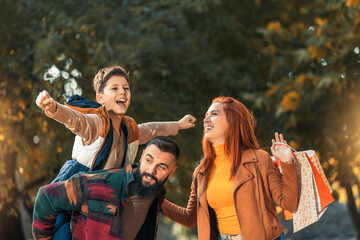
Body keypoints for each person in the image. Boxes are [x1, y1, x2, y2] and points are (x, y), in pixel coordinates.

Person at [35, 65, 196, 239]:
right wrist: (53, 108)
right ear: (100, 98)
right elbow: (75, 120)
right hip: (74, 191)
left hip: (102, 198)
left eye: (126, 88)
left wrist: (178, 125)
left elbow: (151, 129)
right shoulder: (96, 123)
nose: (123, 92)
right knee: (63, 233)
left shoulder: (129, 129)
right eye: (115, 88)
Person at [162, 96, 299, 240]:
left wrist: (287, 162)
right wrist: (155, 198)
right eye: (206, 116)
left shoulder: (259, 159)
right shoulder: (201, 172)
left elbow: (289, 203)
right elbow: (189, 218)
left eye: (213, 114)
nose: (205, 120)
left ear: (232, 121)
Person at [32, 136, 180, 240]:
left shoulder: (157, 197)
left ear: (171, 172)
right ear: (141, 157)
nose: (151, 170)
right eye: (149, 160)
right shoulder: (100, 183)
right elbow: (46, 197)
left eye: (161, 167)